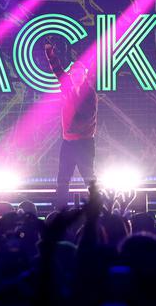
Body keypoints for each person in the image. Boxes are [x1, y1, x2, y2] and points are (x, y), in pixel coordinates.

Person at [45, 40, 97, 207]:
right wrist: (51, 55)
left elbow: (88, 116)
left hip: (84, 143)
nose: (75, 77)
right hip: (68, 142)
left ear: (84, 75)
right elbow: (58, 72)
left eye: (79, 74)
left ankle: (96, 207)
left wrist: (71, 129)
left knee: (88, 177)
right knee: (63, 178)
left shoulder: (89, 94)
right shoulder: (68, 87)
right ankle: (60, 210)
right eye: (73, 74)